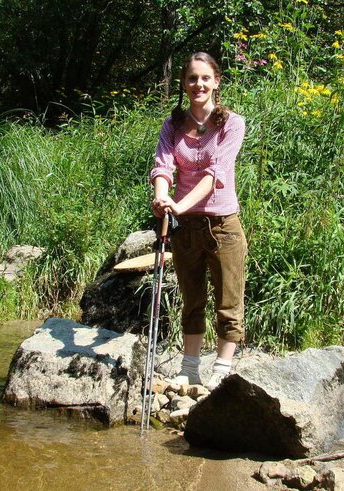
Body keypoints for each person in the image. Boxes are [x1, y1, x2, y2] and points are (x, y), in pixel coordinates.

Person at [150, 52, 248, 390]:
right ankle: (189, 368)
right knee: (192, 300)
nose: (198, 84)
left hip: (222, 225)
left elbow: (215, 174)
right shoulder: (172, 125)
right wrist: (163, 197)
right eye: (192, 78)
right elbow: (163, 167)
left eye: (205, 78)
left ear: (216, 81)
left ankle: (221, 368)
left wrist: (178, 204)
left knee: (228, 301)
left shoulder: (232, 124)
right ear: (184, 83)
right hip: (184, 228)